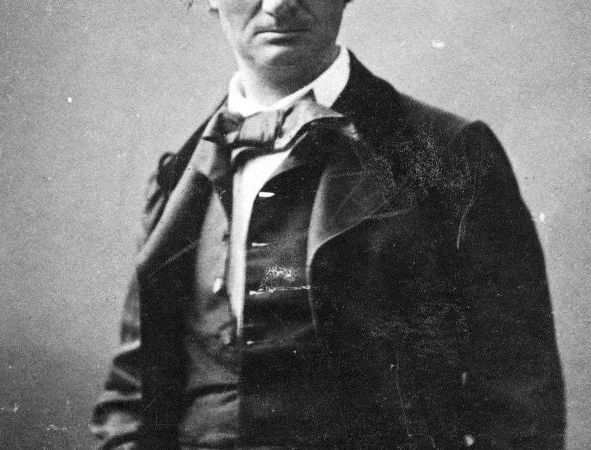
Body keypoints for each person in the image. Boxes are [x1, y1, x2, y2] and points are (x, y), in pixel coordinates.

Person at [91, 0, 565, 448]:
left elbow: (522, 403)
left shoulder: (448, 154)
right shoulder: (178, 178)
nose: (279, 3)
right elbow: (132, 399)